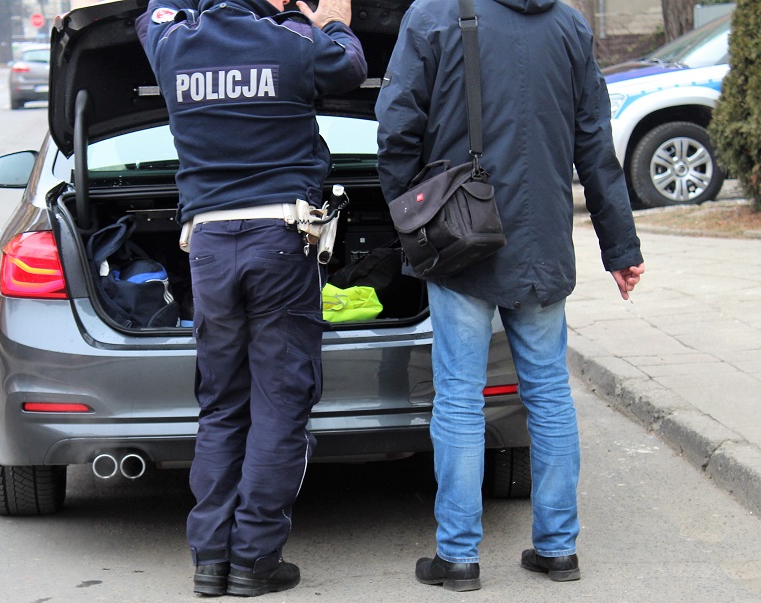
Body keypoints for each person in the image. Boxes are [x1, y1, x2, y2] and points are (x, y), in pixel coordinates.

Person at [376, 0, 645, 592]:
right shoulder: (570, 24)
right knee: (548, 394)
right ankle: (557, 549)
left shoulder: (434, 14)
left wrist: (409, 216)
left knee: (459, 399)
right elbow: (594, 144)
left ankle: (458, 558)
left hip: (459, 241)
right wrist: (620, 248)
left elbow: (397, 125)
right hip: (543, 243)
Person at [137, 0, 366, 597]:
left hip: (208, 247)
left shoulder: (173, 43)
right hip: (281, 241)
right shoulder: (293, 41)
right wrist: (327, 19)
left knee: (220, 405)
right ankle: (255, 561)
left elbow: (153, 12)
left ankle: (211, 561)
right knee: (280, 402)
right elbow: (350, 66)